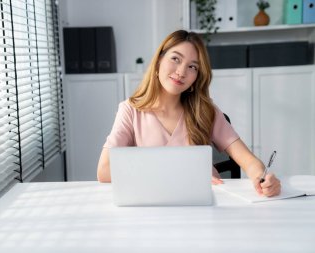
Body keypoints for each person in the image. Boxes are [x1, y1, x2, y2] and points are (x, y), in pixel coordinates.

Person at [97, 30, 281, 197]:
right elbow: (104, 171)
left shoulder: (205, 111)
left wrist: (261, 177)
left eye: (192, 67)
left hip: (206, 203)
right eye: (175, 59)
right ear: (159, 61)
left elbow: (249, 161)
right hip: (154, 205)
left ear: (196, 78)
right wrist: (180, 175)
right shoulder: (130, 110)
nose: (181, 72)